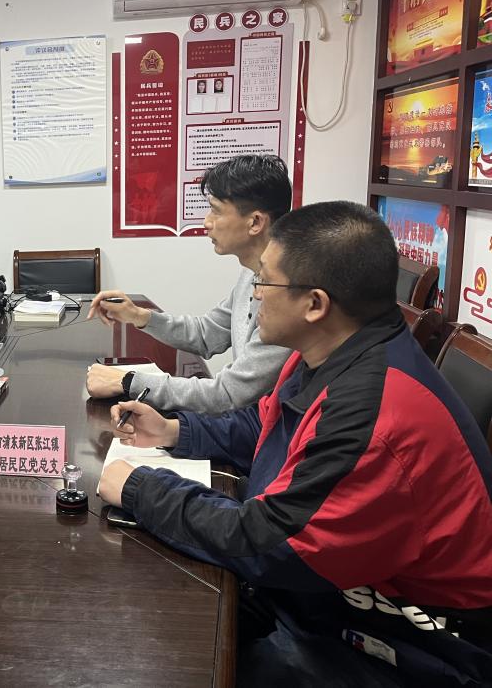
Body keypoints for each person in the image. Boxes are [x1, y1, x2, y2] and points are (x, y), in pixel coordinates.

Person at [99, 201, 492, 687]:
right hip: (335, 594)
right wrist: (175, 431)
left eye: (264, 282)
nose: (255, 296)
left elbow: (269, 544)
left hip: (415, 644)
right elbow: (264, 426)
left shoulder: (375, 417)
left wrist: (141, 489)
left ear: (315, 304)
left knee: (170, 653)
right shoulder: (333, 351)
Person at [87, 154, 292, 413]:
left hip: (256, 430)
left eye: (216, 210)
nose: (206, 222)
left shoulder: (286, 295)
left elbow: (229, 394)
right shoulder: (251, 274)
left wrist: (128, 382)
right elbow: (207, 335)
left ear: (255, 222)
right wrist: (139, 316)